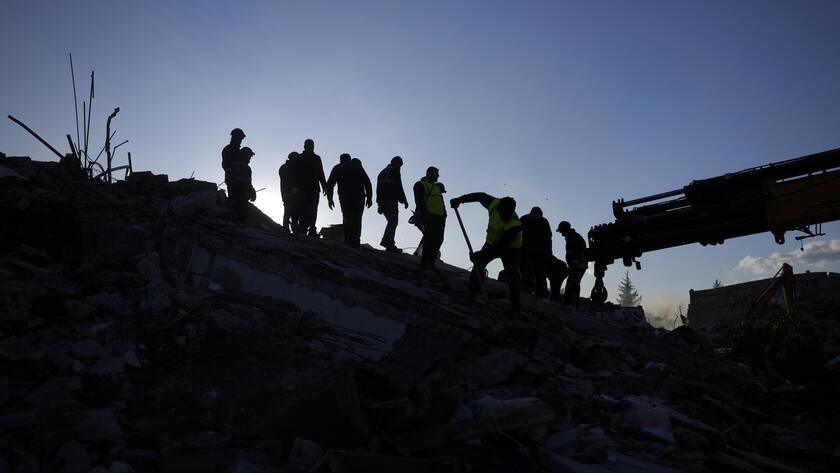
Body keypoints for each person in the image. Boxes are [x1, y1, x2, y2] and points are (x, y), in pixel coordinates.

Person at [450, 193, 522, 313]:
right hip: (491, 243)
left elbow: (500, 247)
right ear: (499, 208)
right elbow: (480, 196)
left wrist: (480, 254)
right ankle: (471, 296)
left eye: (508, 214)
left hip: (511, 249)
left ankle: (515, 310)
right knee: (478, 265)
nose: (506, 216)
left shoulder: (515, 225)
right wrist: (460, 200)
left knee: (512, 276)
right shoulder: (494, 204)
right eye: (503, 213)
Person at [326, 154, 372, 247]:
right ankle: (355, 240)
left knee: (347, 217)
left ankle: (348, 240)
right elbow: (367, 182)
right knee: (357, 218)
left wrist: (330, 199)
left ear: (340, 160)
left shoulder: (337, 168)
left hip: (345, 197)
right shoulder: (357, 167)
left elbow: (330, 184)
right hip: (359, 197)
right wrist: (369, 198)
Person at [412, 167, 446, 269]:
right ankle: (426, 262)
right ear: (429, 173)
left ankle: (431, 261)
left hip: (440, 217)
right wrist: (424, 213)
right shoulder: (421, 184)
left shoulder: (436, 187)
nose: (438, 176)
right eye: (436, 173)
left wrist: (444, 213)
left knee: (438, 239)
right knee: (430, 238)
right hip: (429, 215)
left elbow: (440, 202)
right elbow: (419, 200)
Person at [376, 156, 409, 252]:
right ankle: (388, 243)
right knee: (393, 221)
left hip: (383, 200)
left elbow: (379, 189)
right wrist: (404, 200)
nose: (400, 167)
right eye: (400, 164)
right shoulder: (394, 171)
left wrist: (379, 203)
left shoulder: (383, 172)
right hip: (390, 200)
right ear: (396, 162)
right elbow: (398, 185)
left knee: (391, 221)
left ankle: (387, 241)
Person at [520, 207, 553, 297]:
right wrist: (549, 252)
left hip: (525, 248)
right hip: (540, 251)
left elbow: (518, 232)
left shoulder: (524, 218)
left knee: (525, 269)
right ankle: (541, 293)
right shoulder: (543, 221)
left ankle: (527, 288)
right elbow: (548, 237)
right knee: (540, 273)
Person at [299, 139, 327, 236]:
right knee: (304, 208)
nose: (310, 147)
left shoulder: (315, 158)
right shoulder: (300, 158)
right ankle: (304, 228)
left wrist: (324, 185)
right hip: (303, 188)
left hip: (312, 188)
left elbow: (320, 173)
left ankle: (310, 228)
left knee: (312, 209)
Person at [557, 220, 588, 305]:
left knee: (572, 283)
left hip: (578, 265)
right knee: (574, 283)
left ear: (565, 230)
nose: (561, 234)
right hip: (577, 265)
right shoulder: (572, 237)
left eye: (561, 231)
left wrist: (574, 264)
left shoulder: (573, 238)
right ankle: (573, 302)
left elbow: (578, 254)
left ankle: (570, 303)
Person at [226, 147, 257, 222]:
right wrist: (238, 193)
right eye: (249, 156)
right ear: (244, 155)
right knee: (236, 214)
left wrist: (252, 191)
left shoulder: (247, 168)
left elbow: (248, 182)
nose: (250, 158)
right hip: (236, 196)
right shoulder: (234, 165)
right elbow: (230, 180)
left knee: (244, 215)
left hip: (244, 197)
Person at [279, 151, 304, 233]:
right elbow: (286, 180)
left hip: (292, 194)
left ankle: (294, 230)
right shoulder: (286, 168)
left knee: (295, 213)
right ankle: (286, 229)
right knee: (288, 212)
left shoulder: (293, 167)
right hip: (288, 194)